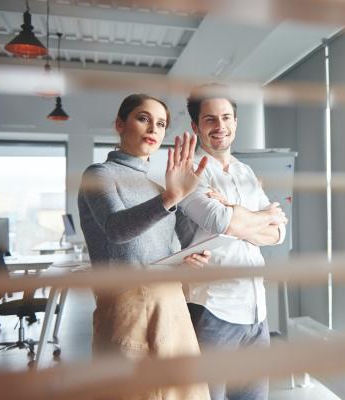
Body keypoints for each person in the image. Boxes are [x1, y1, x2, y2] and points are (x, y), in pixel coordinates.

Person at [78, 93, 210, 400]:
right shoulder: (99, 174)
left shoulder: (158, 186)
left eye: (161, 123)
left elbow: (162, 249)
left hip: (171, 304)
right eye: (143, 118)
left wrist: (186, 258)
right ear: (120, 125)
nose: (153, 129)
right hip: (126, 310)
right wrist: (169, 199)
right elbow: (116, 229)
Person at [177, 85, 288, 400]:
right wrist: (257, 215)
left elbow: (278, 234)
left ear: (236, 123)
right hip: (214, 310)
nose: (220, 126)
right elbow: (221, 223)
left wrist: (235, 212)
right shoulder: (189, 173)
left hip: (256, 312)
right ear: (196, 127)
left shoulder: (245, 171)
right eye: (210, 119)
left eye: (226, 117)